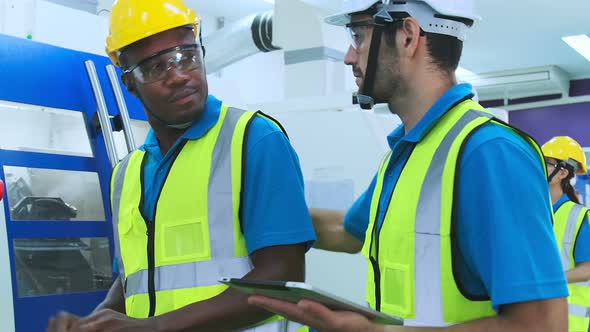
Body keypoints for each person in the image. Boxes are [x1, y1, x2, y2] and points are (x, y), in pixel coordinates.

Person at [248, 0, 569, 330]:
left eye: (358, 36)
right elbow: (348, 231)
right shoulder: (408, 151)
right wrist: (252, 213)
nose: (348, 56)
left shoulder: (490, 152)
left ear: (407, 35)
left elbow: (542, 324)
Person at [46, 0, 315, 331]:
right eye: (156, 67)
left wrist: (155, 328)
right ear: (128, 81)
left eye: (187, 57)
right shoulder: (125, 174)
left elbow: (282, 277)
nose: (178, 76)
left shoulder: (254, 140)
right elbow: (138, 274)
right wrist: (95, 322)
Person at [543, 136, 590, 332]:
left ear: (562, 172)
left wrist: (547, 280)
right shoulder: (533, 212)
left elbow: (587, 270)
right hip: (536, 318)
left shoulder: (579, 217)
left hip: (570, 324)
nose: (539, 166)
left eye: (545, 162)